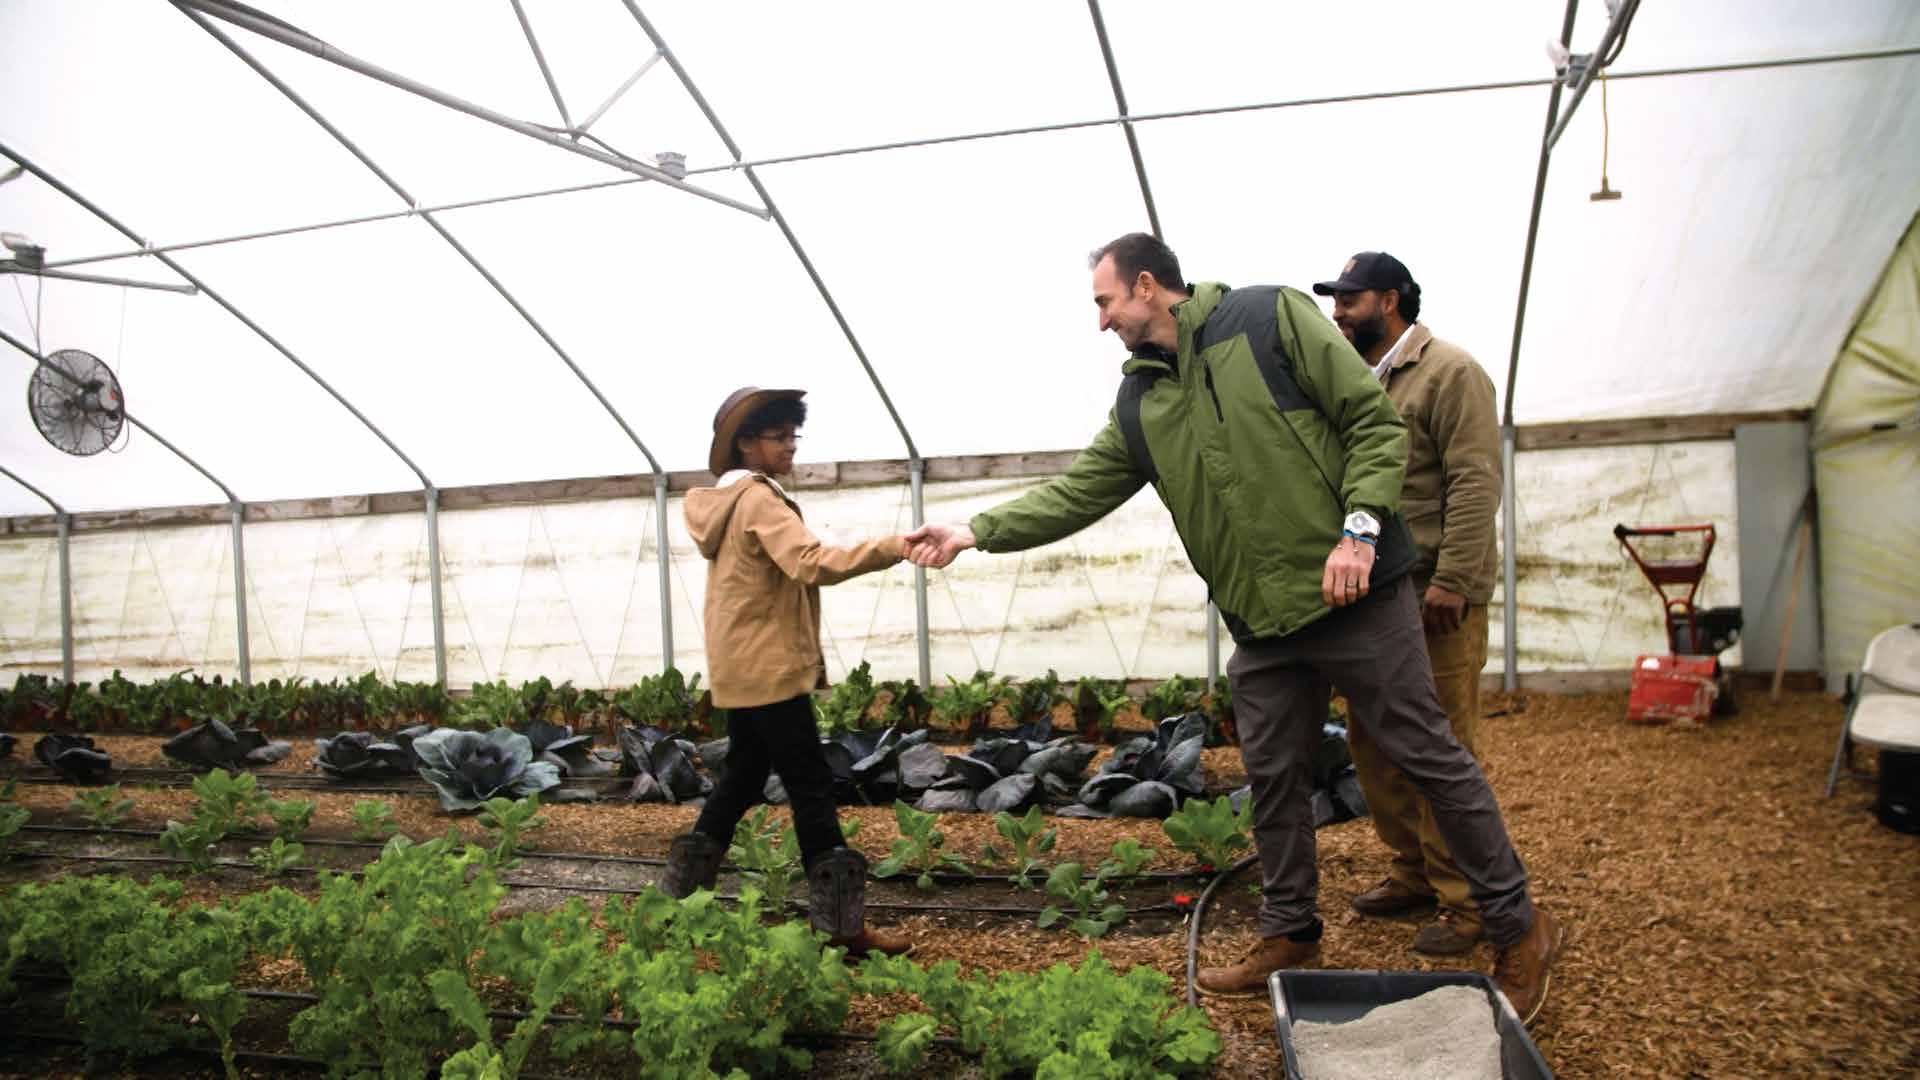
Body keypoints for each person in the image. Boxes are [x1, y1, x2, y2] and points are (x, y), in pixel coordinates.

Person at [905, 234, 1562, 1022]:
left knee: (1429, 757)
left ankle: (1517, 926)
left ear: (1145, 285)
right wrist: (973, 532)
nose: (1101, 321)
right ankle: (1290, 933)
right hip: (1263, 623)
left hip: (1355, 592)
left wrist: (1358, 532)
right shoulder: (1141, 401)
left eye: (1105, 302)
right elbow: (1078, 492)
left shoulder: (1269, 319)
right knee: (1275, 778)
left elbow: (1372, 423)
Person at [662, 386, 912, 957]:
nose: (790, 446)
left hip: (742, 664)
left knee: (743, 776)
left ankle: (677, 902)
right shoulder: (757, 500)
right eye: (778, 436)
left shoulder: (727, 502)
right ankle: (842, 930)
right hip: (770, 667)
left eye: (793, 435)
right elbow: (810, 562)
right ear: (745, 443)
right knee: (810, 785)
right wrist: (894, 546)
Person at [1315, 251, 1503, 957]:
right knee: (1373, 741)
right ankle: (1414, 871)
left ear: (1390, 301)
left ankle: (1467, 899)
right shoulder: (1356, 381)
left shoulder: (1451, 372)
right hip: (1377, 594)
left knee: (1440, 745)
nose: (1337, 311)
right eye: (1336, 300)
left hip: (1433, 592)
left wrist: (1454, 580)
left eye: (1350, 299)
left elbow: (1475, 483)